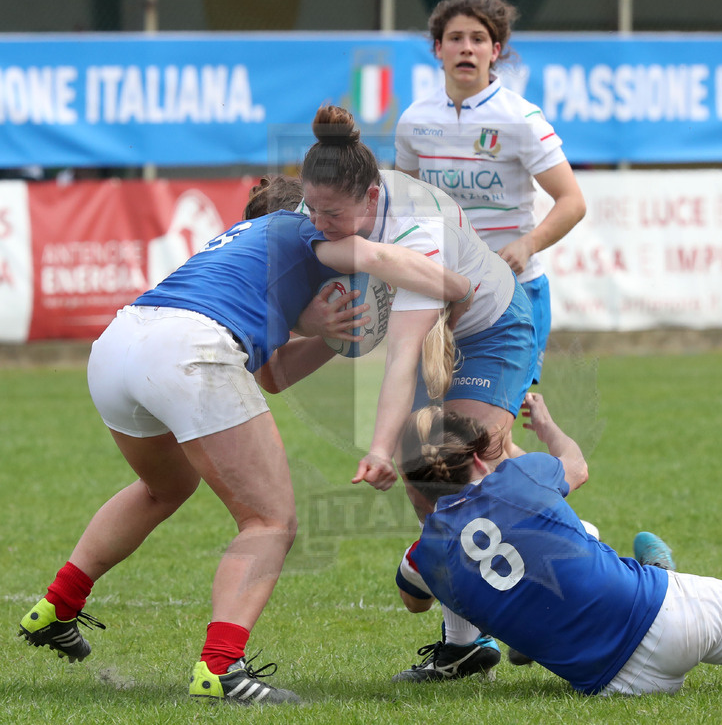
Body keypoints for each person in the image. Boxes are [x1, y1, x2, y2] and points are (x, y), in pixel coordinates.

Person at [17, 208, 475, 706]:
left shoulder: (240, 249)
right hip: (186, 350)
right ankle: (220, 668)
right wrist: (458, 286)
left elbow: (272, 376)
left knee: (164, 489)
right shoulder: (309, 231)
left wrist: (328, 335)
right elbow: (382, 256)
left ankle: (58, 605)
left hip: (117, 346)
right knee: (269, 521)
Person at [300, 103, 543, 681]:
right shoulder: (330, 202)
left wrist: (380, 449)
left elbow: (402, 354)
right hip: (443, 326)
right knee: (427, 479)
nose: (316, 222)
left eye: (330, 214)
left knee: (460, 462)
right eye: (310, 209)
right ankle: (464, 645)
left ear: (372, 199)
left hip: (491, 328)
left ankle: (572, 579)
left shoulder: (418, 231)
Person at [393, 392, 722, 694]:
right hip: (667, 615)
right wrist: (550, 428)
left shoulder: (424, 556)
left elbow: (415, 601)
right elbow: (577, 467)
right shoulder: (521, 474)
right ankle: (654, 574)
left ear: (415, 485)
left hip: (614, 685)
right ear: (479, 457)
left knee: (574, 540)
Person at [395, 0, 586, 391]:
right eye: (455, 38)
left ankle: (562, 458)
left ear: (495, 51)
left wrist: (527, 245)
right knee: (439, 426)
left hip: (515, 294)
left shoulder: (522, 119)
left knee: (485, 427)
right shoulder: (414, 121)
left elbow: (573, 202)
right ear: (437, 48)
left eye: (478, 39)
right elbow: (405, 206)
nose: (467, 47)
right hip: (442, 295)